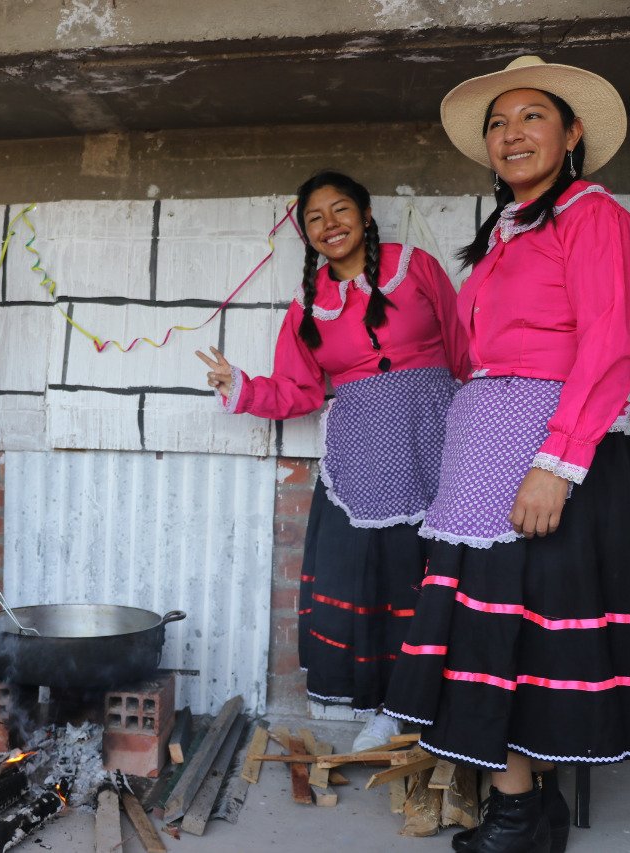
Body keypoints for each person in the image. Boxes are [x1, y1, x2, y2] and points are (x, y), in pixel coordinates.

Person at [383, 56, 630, 853]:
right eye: (497, 123)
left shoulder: (595, 217)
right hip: (484, 455)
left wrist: (557, 462)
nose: (511, 134)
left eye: (531, 117)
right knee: (493, 627)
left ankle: (516, 813)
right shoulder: (509, 231)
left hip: (544, 453)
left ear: (573, 131)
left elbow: (610, 347)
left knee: (522, 630)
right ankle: (532, 809)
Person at [196, 171, 469, 751]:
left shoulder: (413, 265)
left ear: (367, 214)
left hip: (438, 437)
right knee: (382, 581)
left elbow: (464, 345)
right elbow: (298, 391)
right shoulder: (308, 305)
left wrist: (487, 429)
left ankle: (454, 708)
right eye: (315, 218)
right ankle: (390, 711)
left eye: (340, 209)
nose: (329, 225)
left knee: (444, 573)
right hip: (364, 453)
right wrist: (238, 385)